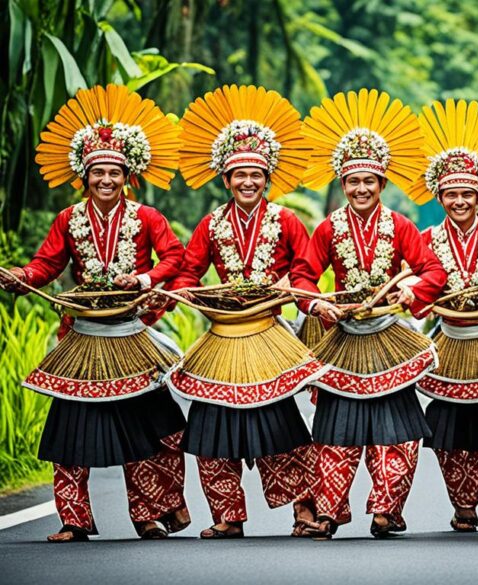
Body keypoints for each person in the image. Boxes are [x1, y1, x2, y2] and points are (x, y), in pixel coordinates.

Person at [0, 85, 189, 542]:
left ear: (128, 176)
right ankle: (73, 520)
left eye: (114, 173)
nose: (106, 180)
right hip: (83, 336)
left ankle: (148, 515)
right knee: (70, 432)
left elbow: (175, 257)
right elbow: (48, 265)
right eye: (98, 173)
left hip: (130, 334)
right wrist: (21, 274)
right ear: (84, 177)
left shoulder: (148, 217)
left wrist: (144, 279)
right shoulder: (69, 219)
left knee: (148, 427)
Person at [168, 85, 325, 539]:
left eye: (256, 174)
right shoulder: (210, 224)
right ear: (225, 180)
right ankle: (227, 516)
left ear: (268, 177)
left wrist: (289, 289)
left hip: (269, 332)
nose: (248, 182)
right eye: (239, 175)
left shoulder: (288, 221)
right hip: (222, 336)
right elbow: (186, 273)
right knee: (212, 427)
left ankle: (303, 511)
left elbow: (304, 270)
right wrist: (190, 294)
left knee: (281, 427)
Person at [292, 88, 447, 539]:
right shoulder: (327, 228)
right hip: (342, 336)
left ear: (382, 185)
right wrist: (316, 302)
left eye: (370, 182)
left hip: (388, 335)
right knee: (336, 430)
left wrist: (410, 295)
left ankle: (386, 510)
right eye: (353, 182)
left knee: (397, 431)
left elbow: (431, 269)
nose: (362, 189)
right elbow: (302, 275)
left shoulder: (400, 226)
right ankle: (327, 513)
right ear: (343, 185)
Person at [411, 99, 478, 532]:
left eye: (467, 194)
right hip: (448, 342)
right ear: (440, 197)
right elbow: (416, 287)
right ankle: (464, 505)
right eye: (451, 194)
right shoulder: (424, 239)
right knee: (450, 430)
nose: (459, 201)